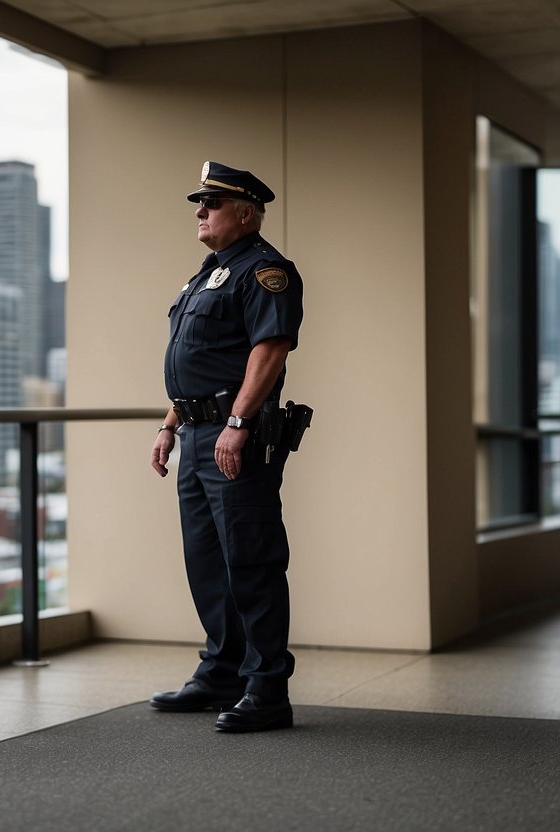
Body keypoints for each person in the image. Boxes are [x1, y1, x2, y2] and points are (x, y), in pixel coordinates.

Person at [148, 161, 304, 733]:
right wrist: (169, 424)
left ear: (245, 213)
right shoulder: (207, 274)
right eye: (200, 202)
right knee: (207, 559)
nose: (200, 211)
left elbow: (269, 350)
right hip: (197, 430)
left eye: (210, 203)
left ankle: (266, 690)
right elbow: (198, 364)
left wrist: (239, 421)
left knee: (251, 560)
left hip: (235, 432)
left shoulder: (265, 271)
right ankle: (222, 672)